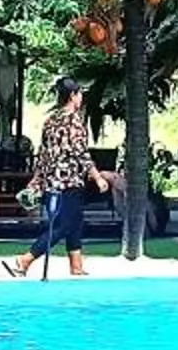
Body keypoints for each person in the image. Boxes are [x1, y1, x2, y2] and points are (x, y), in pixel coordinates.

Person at [7, 79, 107, 277]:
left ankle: (76, 267)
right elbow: (81, 153)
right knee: (63, 226)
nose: (81, 98)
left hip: (52, 182)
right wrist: (97, 177)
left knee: (75, 222)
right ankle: (26, 259)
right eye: (79, 94)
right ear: (72, 95)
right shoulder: (75, 121)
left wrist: (37, 180)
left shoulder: (50, 120)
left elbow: (43, 154)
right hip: (69, 182)